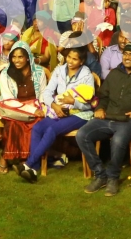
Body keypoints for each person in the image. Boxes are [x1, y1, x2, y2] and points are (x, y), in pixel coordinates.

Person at [78, 41, 131, 196]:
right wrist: (100, 108)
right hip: (108, 117)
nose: (127, 57)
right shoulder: (115, 73)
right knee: (82, 134)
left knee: (118, 140)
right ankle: (100, 174)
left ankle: (113, 177)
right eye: (125, 54)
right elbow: (103, 96)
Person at [20, 40, 95, 181]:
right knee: (37, 128)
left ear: (82, 61)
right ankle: (34, 170)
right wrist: (55, 106)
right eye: (69, 57)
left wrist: (74, 102)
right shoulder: (59, 71)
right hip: (58, 111)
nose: (70, 61)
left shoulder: (87, 76)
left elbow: (89, 106)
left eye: (75, 59)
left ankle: (28, 164)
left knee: (51, 130)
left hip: (80, 114)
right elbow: (47, 92)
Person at [0, 39, 45, 173]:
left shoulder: (39, 72)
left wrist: (41, 109)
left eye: (20, 57)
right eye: (14, 57)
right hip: (13, 108)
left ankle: (25, 159)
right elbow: (8, 99)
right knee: (14, 123)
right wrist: (32, 110)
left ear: (27, 57)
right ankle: (5, 157)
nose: (16, 60)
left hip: (35, 106)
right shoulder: (6, 74)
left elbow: (43, 95)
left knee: (38, 123)